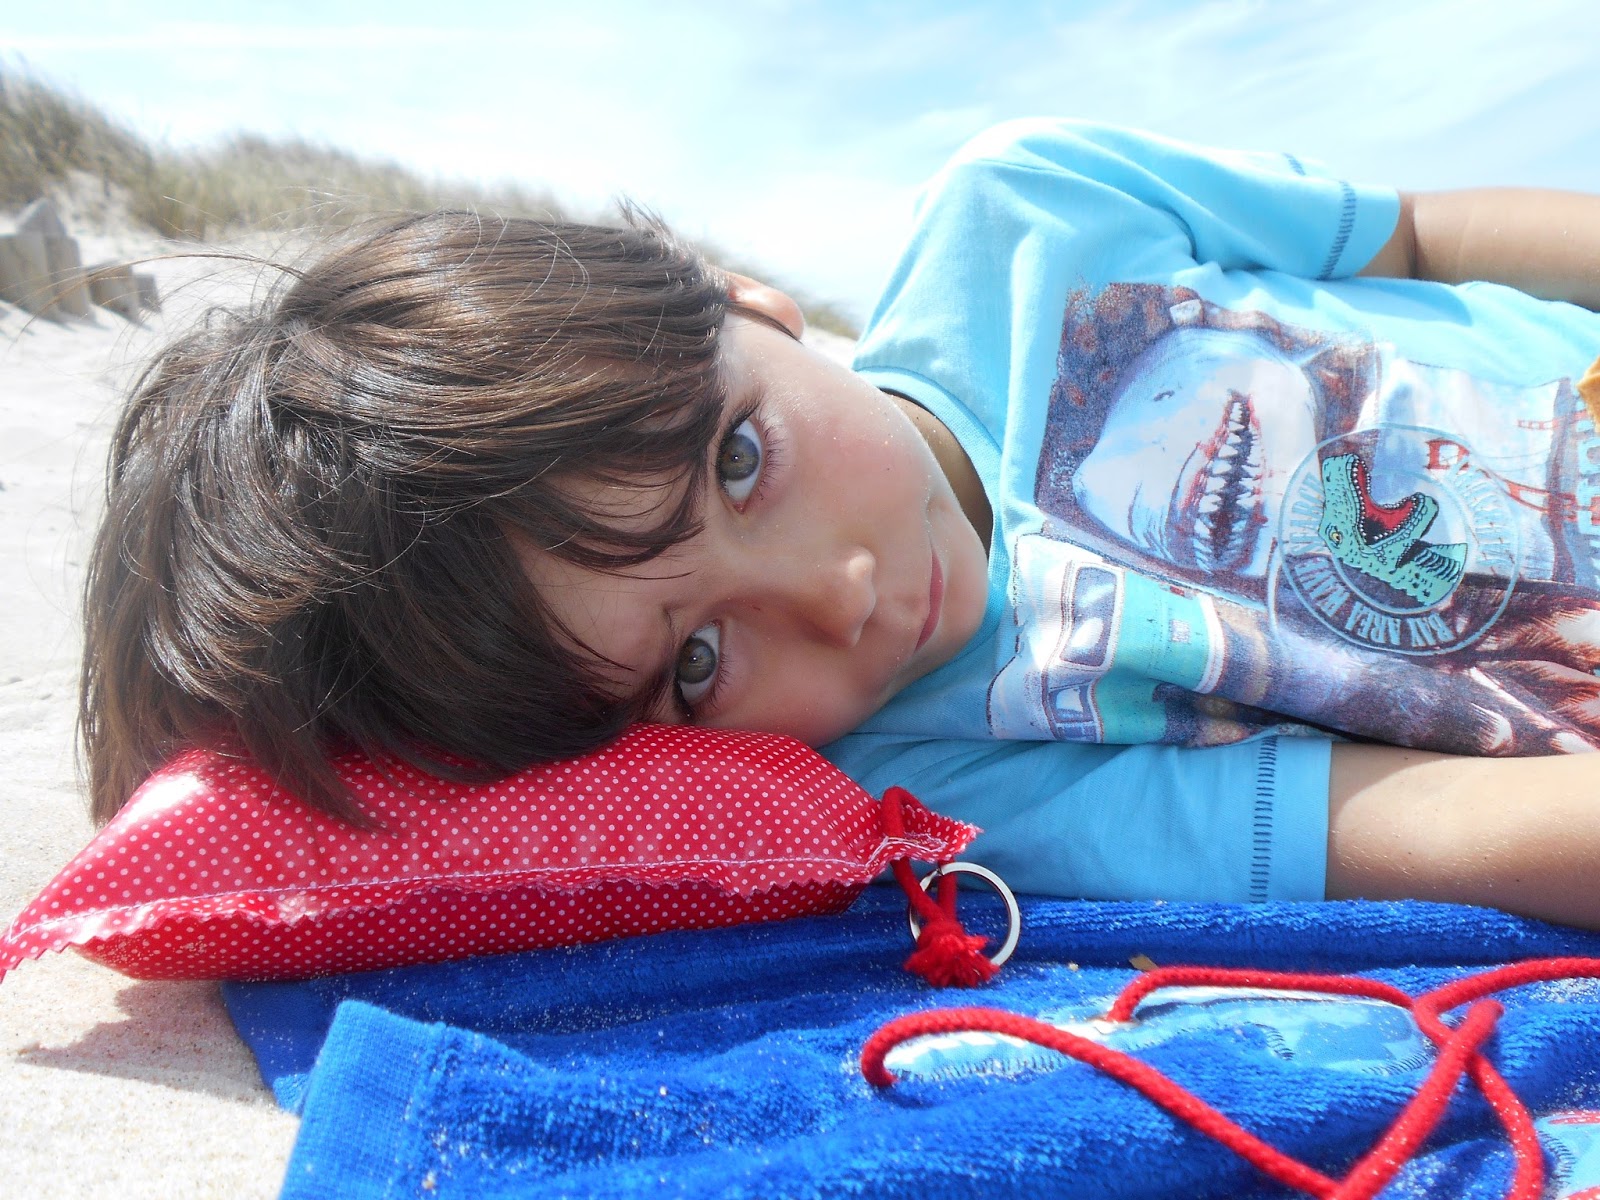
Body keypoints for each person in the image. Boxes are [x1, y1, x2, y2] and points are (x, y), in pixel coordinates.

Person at [81, 119, 1600, 929]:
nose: (842, 591)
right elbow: (1420, 828)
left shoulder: (1027, 213)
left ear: (746, 304)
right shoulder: (947, 777)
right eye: (696, 663)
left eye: (741, 459)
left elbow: (1422, 233)